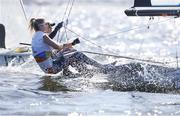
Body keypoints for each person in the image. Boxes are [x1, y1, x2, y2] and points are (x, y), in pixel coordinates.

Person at [29, 18, 115, 74]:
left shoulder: (36, 36)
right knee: (77, 55)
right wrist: (72, 43)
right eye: (47, 23)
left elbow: (50, 43)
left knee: (69, 51)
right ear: (41, 26)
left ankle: (76, 72)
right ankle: (102, 68)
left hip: (47, 68)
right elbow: (57, 47)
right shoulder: (43, 36)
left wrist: (68, 45)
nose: (48, 25)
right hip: (52, 69)